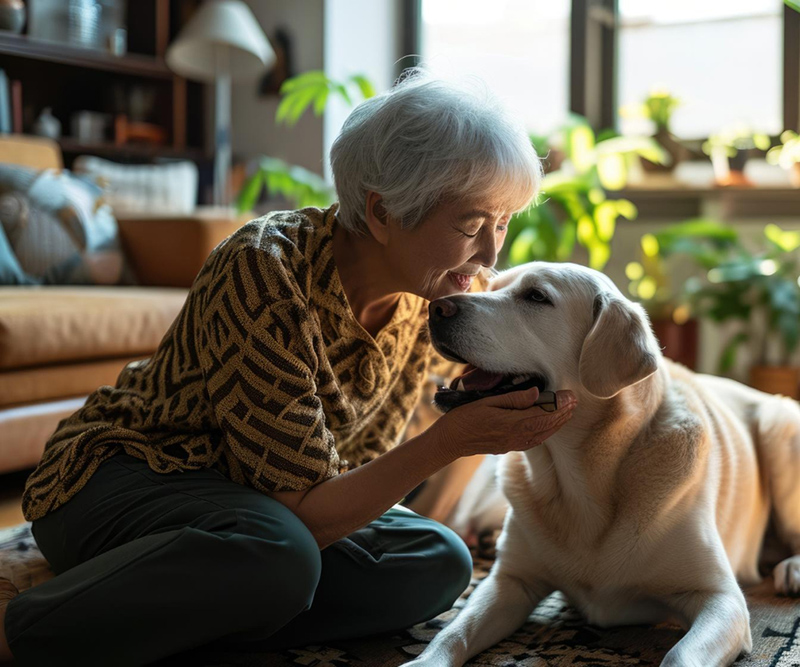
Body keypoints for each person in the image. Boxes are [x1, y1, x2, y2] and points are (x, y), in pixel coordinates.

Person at [0, 68, 578, 666]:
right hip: (129, 476)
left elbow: (350, 479)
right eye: (471, 225)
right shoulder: (263, 271)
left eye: (503, 224)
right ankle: (26, 627)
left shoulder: (419, 300)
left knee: (436, 560)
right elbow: (305, 508)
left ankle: (181, 614)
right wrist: (450, 441)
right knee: (282, 555)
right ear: (383, 213)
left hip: (258, 513)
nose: (490, 255)